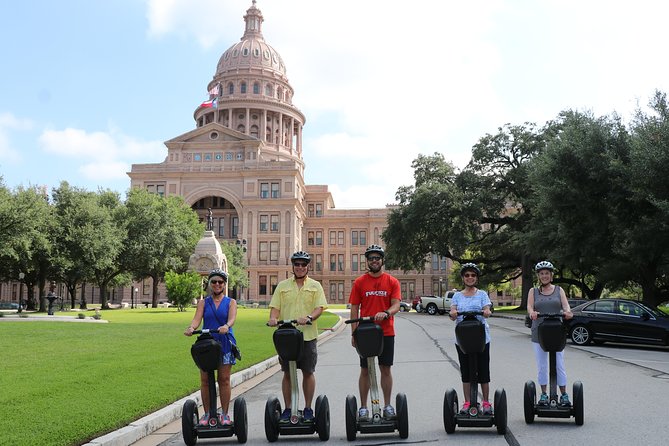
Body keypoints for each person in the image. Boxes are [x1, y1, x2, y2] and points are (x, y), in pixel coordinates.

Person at [268, 251, 327, 422]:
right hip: (287, 337)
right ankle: (288, 409)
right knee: (287, 373)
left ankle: (308, 408)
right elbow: (275, 307)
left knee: (308, 372)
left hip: (307, 336)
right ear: (293, 266)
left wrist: (309, 318)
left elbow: (319, 308)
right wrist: (273, 318)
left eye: (303, 264)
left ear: (308, 266)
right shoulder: (283, 286)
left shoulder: (315, 286)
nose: (300, 267)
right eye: (297, 264)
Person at [349, 244, 401, 420]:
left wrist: (386, 313)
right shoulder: (359, 282)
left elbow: (396, 304)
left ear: (382, 260)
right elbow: (354, 309)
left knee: (385, 369)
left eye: (377, 258)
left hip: (386, 332)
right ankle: (363, 408)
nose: (374, 261)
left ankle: (387, 406)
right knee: (365, 370)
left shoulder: (392, 281)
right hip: (365, 333)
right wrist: (354, 333)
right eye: (371, 258)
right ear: (367, 261)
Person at [184, 268, 238, 426]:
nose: (217, 284)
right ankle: (207, 414)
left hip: (225, 342)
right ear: (209, 284)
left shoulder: (231, 302)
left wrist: (227, 326)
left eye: (220, 282)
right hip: (207, 344)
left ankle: (225, 414)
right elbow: (196, 320)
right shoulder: (203, 302)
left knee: (224, 379)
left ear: (224, 284)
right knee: (205, 380)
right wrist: (191, 328)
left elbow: (232, 319)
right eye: (213, 282)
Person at [448, 263, 494, 415]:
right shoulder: (457, 295)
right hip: (463, 339)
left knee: (483, 371)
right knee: (466, 371)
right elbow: (453, 310)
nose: (470, 278)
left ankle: (486, 402)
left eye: (473, 275)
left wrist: (486, 311)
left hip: (481, 338)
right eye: (467, 275)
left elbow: (487, 308)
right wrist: (453, 313)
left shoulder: (482, 294)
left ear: (476, 278)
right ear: (463, 278)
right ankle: (467, 402)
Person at [527, 260, 573, 406]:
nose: (544, 276)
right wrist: (532, 313)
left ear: (551, 275)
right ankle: (544, 394)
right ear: (538, 276)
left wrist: (568, 312)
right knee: (542, 365)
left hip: (556, 332)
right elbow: (529, 307)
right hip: (539, 332)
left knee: (559, 364)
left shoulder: (559, 290)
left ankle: (564, 394)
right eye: (542, 273)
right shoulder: (533, 291)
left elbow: (566, 306)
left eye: (547, 273)